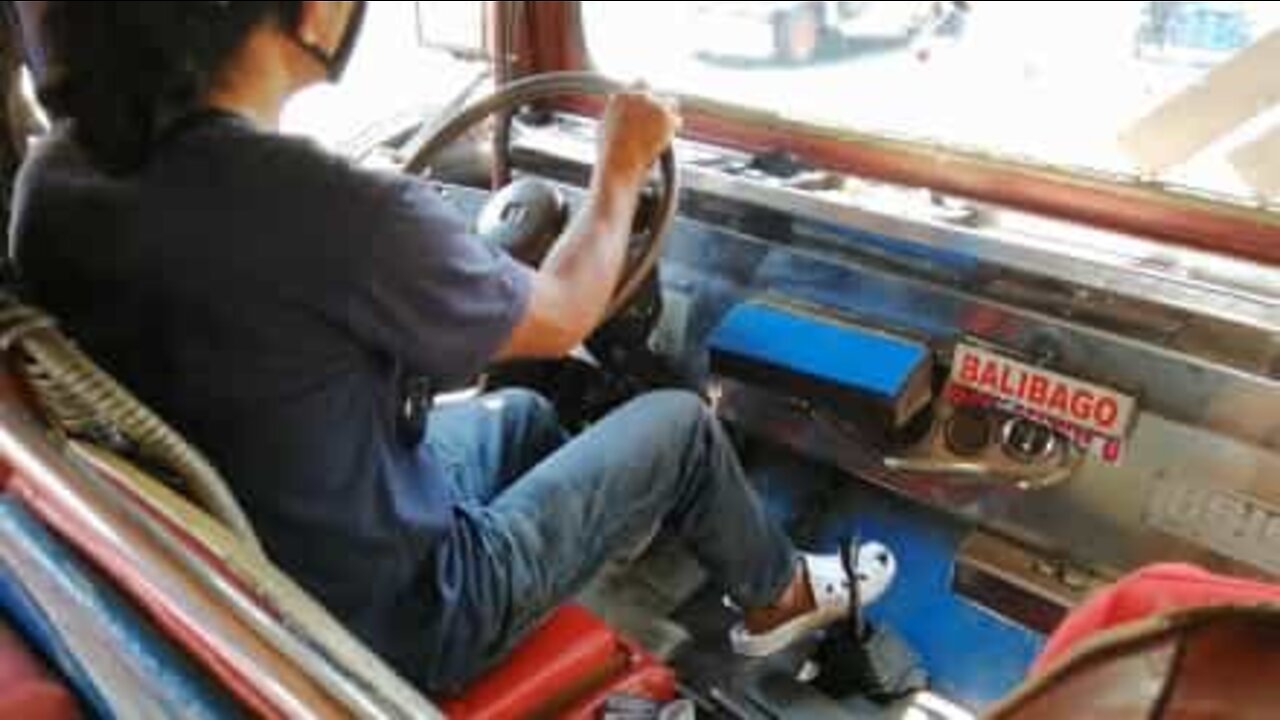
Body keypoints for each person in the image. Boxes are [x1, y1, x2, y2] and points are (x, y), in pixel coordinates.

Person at [9, 1, 895, 694]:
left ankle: (600, 541)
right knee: (681, 431)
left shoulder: (52, 182)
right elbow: (562, 316)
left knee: (520, 414)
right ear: (309, 11)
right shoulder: (328, 210)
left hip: (253, 569)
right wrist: (621, 164)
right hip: (400, 616)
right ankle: (779, 593)